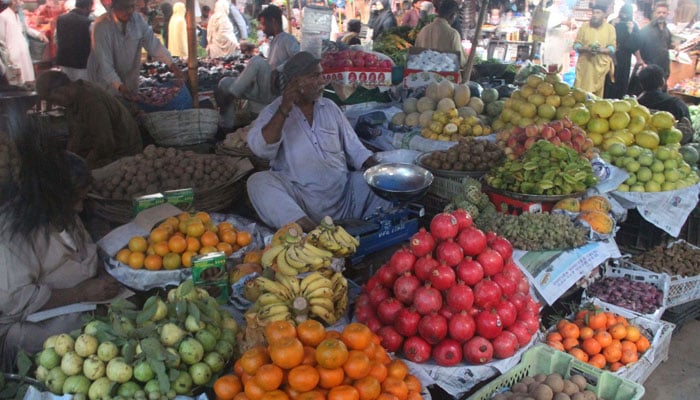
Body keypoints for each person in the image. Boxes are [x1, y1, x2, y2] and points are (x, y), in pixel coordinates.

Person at [0, 109, 122, 371]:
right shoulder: (12, 234)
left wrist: (99, 275)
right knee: (91, 339)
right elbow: (16, 300)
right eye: (74, 200)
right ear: (52, 197)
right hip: (27, 322)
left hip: (80, 302)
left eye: (82, 199)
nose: (79, 208)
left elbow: (85, 251)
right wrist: (80, 293)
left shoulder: (63, 213)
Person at [246, 52, 391, 231]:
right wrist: (284, 109)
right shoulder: (272, 112)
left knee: (377, 182)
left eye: (321, 75)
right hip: (301, 204)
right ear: (295, 82)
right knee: (258, 183)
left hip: (346, 198)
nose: (323, 81)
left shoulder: (330, 107)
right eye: (315, 76)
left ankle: (369, 230)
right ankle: (312, 233)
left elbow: (357, 151)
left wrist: (386, 175)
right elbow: (260, 149)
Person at [36, 71, 143, 169]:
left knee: (83, 176)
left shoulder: (91, 101)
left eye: (52, 99)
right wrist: (69, 157)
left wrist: (83, 166)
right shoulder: (73, 96)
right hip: (106, 145)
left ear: (61, 90)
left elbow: (105, 144)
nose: (54, 104)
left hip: (123, 150)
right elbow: (76, 134)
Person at [215, 5, 299, 128]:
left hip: (276, 90)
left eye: (264, 24)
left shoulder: (288, 39)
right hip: (265, 87)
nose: (262, 28)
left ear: (273, 21)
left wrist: (278, 70)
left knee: (257, 61)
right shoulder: (273, 41)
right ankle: (227, 126)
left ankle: (232, 94)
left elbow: (299, 58)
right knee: (224, 82)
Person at [87, 0, 182, 97]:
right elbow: (104, 64)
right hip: (104, 83)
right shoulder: (102, 26)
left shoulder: (138, 20)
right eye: (125, 7)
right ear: (114, 6)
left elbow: (154, 45)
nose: (129, 11)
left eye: (132, 6)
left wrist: (171, 64)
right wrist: (120, 86)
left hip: (129, 79)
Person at [0, 0, 48, 85]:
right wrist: (6, 58)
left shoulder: (20, 15)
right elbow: (1, 39)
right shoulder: (3, 16)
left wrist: (38, 34)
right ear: (13, 2)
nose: (21, 3)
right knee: (17, 79)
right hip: (12, 52)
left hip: (23, 48)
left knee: (28, 76)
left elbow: (27, 29)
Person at [573, 3, 616, 97]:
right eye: (593, 13)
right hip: (585, 67)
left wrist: (600, 50)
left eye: (598, 13)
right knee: (580, 95)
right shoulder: (584, 27)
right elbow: (576, 45)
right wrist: (587, 49)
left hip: (600, 67)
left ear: (604, 15)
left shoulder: (610, 29)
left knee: (596, 98)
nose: (595, 15)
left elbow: (612, 48)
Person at [605, 4, 644, 99]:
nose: (624, 15)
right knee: (609, 80)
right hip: (611, 57)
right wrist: (612, 26)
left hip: (625, 59)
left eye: (627, 13)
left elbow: (636, 45)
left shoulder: (633, 25)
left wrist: (631, 31)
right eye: (622, 13)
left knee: (621, 81)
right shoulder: (612, 22)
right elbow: (605, 38)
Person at [414, 0, 466, 71]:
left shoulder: (423, 30)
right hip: (446, 78)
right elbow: (461, 61)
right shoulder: (453, 34)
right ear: (453, 16)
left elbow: (416, 55)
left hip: (424, 76)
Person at [55, 0, 93, 81]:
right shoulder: (87, 22)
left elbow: (56, 39)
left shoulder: (61, 19)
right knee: (82, 89)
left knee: (67, 87)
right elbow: (94, 44)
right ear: (89, 6)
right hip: (82, 63)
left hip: (64, 61)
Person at [638, 2, 673, 79]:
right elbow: (637, 48)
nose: (661, 15)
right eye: (659, 12)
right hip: (650, 69)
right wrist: (642, 62)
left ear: (667, 14)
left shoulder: (666, 30)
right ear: (654, 13)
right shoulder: (646, 30)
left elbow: (669, 45)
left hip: (663, 68)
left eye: (664, 13)